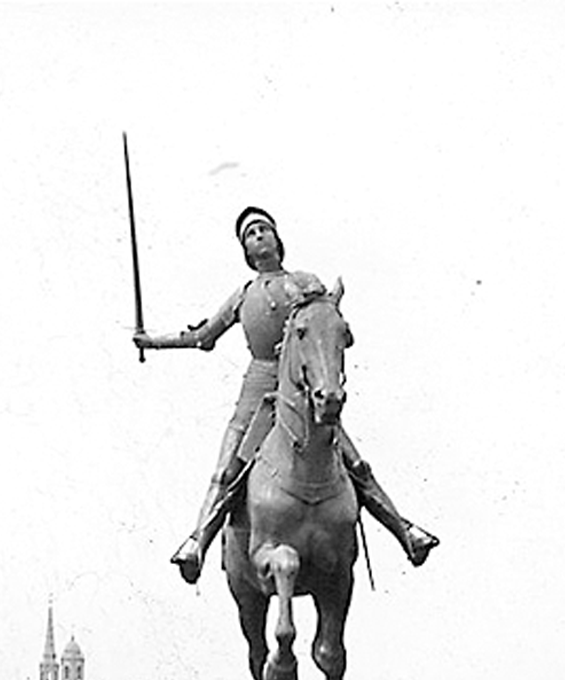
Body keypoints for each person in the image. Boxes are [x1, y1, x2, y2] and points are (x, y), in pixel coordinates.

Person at [134, 206, 439, 584]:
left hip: (302, 389)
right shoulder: (243, 295)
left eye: (264, 229)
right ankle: (198, 542)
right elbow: (203, 337)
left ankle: (404, 531)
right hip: (257, 389)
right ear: (245, 250)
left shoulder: (303, 281)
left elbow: (327, 322)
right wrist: (154, 342)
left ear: (278, 239)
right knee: (226, 470)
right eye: (250, 234)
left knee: (355, 464)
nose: (258, 236)